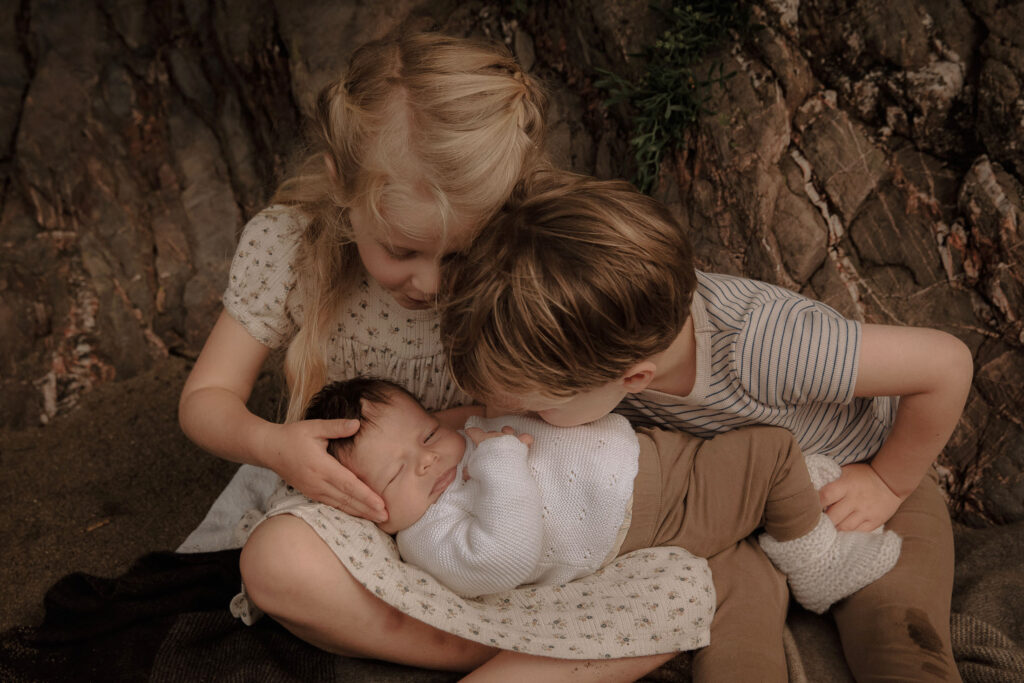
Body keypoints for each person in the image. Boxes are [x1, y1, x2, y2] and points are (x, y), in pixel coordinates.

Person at [440, 169, 974, 681]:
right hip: (741, 507)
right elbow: (492, 420)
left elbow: (946, 366)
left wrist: (887, 480)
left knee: (898, 636)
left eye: (538, 409)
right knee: (730, 637)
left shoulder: (766, 345)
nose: (528, 419)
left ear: (634, 378)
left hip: (859, 477)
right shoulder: (604, 341)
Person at [175, 28, 594, 675]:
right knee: (276, 562)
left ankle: (532, 627)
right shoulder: (291, 247)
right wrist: (273, 445)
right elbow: (205, 400)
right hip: (360, 505)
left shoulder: (519, 254)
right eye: (401, 250)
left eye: (456, 254)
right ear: (345, 183)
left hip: (499, 490)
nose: (429, 283)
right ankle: (472, 645)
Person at [303, 377, 901, 612]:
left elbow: (470, 415)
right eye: (395, 473)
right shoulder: (429, 536)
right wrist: (503, 459)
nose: (429, 458)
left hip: (654, 461)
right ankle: (816, 564)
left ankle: (793, 499)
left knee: (764, 457)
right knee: (770, 452)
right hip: (656, 511)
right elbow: (506, 554)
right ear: (367, 508)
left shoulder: (456, 448)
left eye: (427, 434)